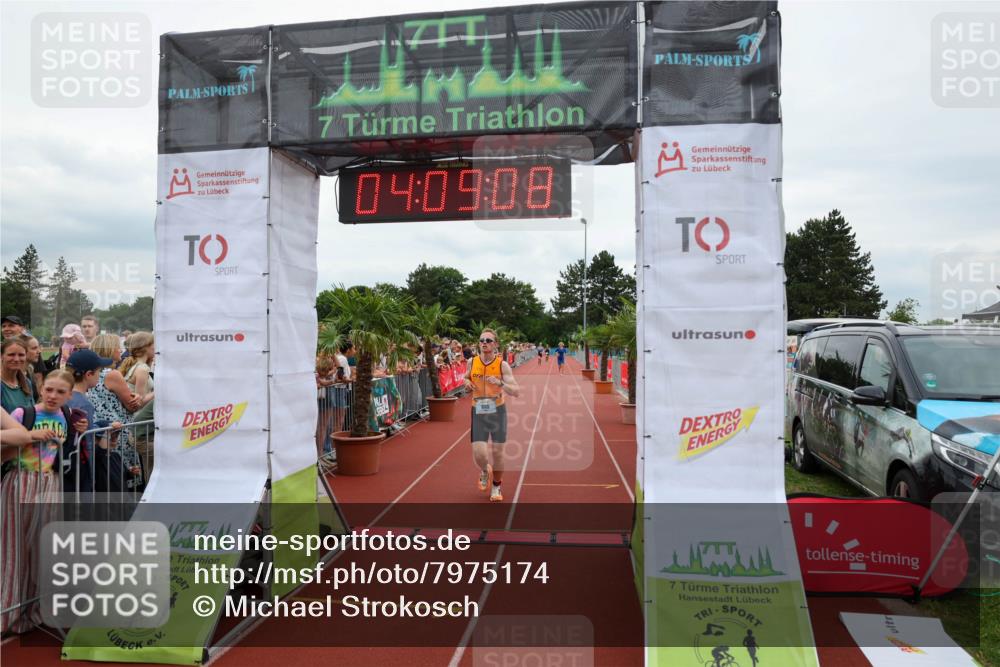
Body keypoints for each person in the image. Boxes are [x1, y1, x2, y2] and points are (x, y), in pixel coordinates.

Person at [1, 369, 87, 633]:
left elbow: (67, 453)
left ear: (69, 395)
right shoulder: (22, 415)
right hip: (20, 482)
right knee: (13, 547)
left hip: (50, 484)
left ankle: (38, 609)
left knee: (43, 547)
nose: (53, 396)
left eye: (60, 392)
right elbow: (4, 451)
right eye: (49, 389)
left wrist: (80, 433)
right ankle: (8, 610)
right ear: (41, 389)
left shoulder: (67, 417)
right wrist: (28, 438)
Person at [463, 329, 519, 503]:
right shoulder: (472, 362)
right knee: (479, 454)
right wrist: (467, 383)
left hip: (497, 411)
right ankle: (485, 470)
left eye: (488, 340)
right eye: (482, 340)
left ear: (495, 344)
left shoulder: (502, 365)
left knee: (498, 453)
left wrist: (500, 383)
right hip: (478, 411)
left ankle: (496, 485)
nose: (484, 343)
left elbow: (515, 391)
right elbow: (465, 378)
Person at [87, 334, 142, 476]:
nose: (121, 350)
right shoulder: (112, 374)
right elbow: (132, 406)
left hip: (99, 430)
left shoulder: (91, 374)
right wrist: (141, 397)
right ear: (110, 349)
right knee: (123, 476)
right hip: (118, 432)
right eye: (118, 346)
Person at [119, 333, 155, 480]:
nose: (156, 348)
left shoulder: (136, 366)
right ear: (146, 347)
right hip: (138, 423)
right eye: (153, 344)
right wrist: (157, 392)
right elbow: (140, 402)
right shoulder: (142, 369)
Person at [1, 338, 35, 414]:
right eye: (11, 355)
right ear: (1, 356)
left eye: (21, 355)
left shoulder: (27, 383)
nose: (16, 359)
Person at [19, 335, 44, 401]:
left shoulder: (29, 370)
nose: (39, 351)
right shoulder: (13, 375)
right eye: (34, 348)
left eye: (38, 347)